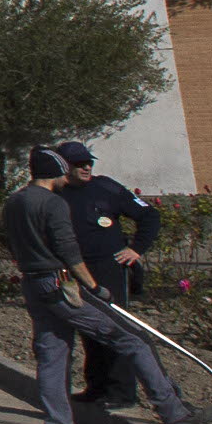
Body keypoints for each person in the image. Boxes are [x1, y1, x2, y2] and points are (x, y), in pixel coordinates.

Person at [1, 147, 195, 424]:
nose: (74, 172)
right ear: (57, 172)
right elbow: (69, 251)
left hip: (33, 284)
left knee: (52, 358)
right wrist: (93, 287)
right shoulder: (52, 203)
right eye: (68, 168)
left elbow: (12, 243)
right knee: (133, 339)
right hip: (59, 284)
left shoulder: (15, 201)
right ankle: (174, 412)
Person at [54, 141, 164, 406]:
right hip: (75, 270)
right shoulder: (56, 194)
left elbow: (149, 216)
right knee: (90, 331)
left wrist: (136, 250)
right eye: (79, 164)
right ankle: (97, 386)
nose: (86, 167)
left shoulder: (106, 188)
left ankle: (121, 393)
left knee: (117, 330)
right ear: (64, 166)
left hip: (109, 269)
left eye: (88, 162)